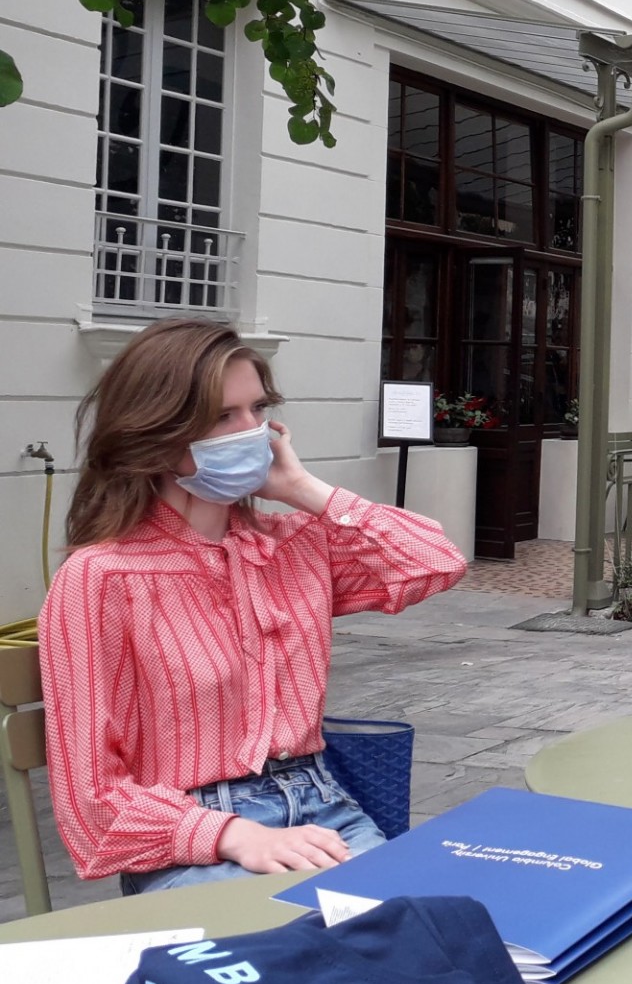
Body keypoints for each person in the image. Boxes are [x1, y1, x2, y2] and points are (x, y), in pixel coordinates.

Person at [40, 319, 469, 894]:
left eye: (259, 409)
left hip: (325, 811)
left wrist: (302, 489)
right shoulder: (103, 578)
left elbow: (435, 561)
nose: (251, 432)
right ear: (157, 434)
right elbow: (90, 800)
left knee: (429, 944)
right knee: (302, 958)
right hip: (191, 839)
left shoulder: (293, 545)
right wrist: (234, 834)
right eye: (222, 416)